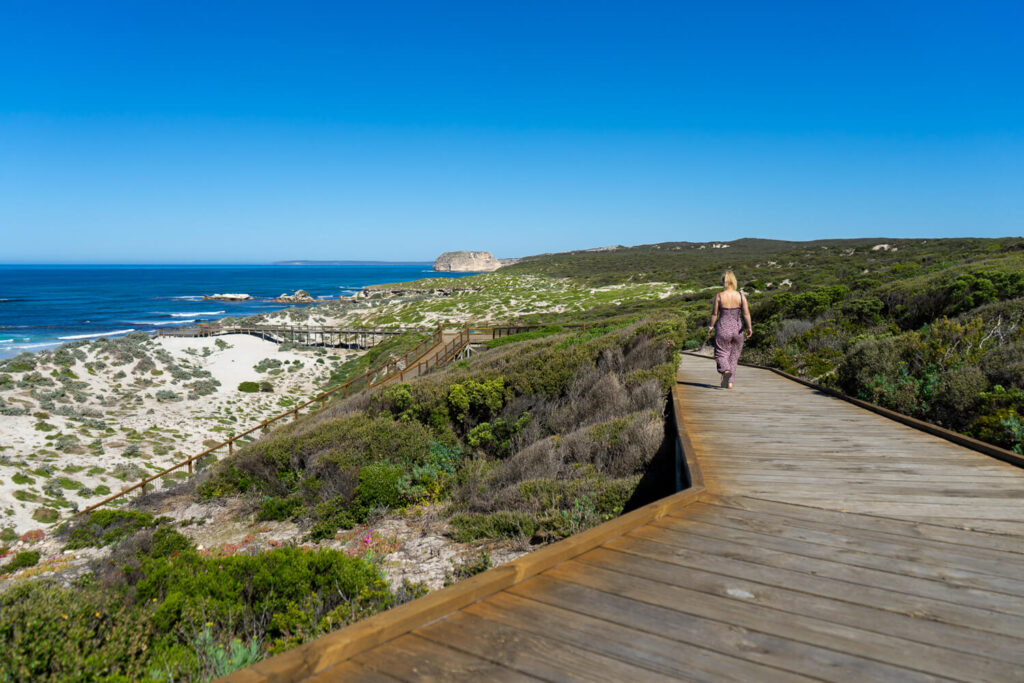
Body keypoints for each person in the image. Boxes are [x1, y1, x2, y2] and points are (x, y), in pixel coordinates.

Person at [707, 270, 752, 388]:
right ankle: (730, 382)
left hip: (723, 328)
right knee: (734, 356)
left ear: (724, 281)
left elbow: (714, 314)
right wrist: (749, 328)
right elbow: (746, 314)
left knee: (721, 353)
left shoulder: (719, 296)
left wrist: (711, 326)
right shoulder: (741, 296)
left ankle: (726, 371)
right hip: (738, 329)